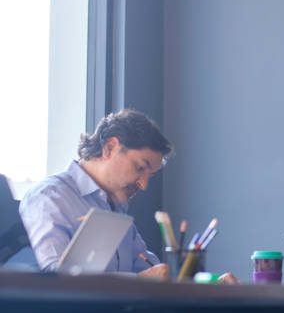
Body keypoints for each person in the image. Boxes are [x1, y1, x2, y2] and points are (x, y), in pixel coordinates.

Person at [19, 109, 240, 283]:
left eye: (149, 175)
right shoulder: (49, 198)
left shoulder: (113, 206)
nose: (143, 185)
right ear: (110, 147)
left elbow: (154, 272)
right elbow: (51, 281)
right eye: (140, 167)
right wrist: (138, 281)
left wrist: (208, 284)